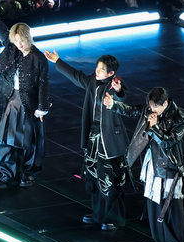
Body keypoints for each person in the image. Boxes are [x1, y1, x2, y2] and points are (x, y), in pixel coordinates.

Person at [45, 49, 130, 230]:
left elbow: (122, 93)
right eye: (97, 68)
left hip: (109, 141)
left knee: (110, 178)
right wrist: (58, 62)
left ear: (111, 73)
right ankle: (99, 214)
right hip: (94, 136)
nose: (97, 71)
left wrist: (119, 89)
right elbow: (76, 76)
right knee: (93, 176)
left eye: (101, 69)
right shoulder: (93, 81)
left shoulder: (113, 86)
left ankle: (114, 218)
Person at [0, 0, 50, 189]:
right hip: (12, 100)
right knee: (5, 139)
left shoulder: (38, 58)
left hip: (29, 103)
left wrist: (41, 108)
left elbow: (43, 83)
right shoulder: (12, 49)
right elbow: (0, 30)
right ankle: (8, 174)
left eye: (22, 40)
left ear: (28, 37)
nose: (19, 44)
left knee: (28, 141)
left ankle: (28, 174)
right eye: (16, 41)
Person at [114, 87, 184, 242]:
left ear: (166, 103)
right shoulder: (150, 110)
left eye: (156, 107)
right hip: (154, 163)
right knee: (154, 204)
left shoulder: (179, 118)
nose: (152, 110)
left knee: (170, 207)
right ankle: (160, 241)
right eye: (151, 106)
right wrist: (113, 105)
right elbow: (133, 110)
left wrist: (154, 128)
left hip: (169, 167)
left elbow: (170, 143)